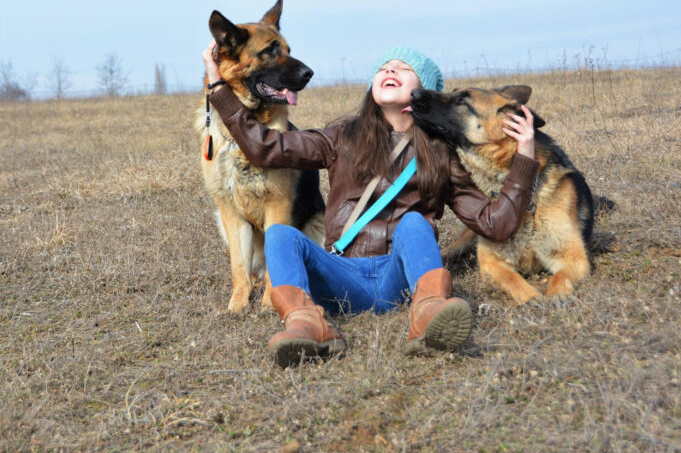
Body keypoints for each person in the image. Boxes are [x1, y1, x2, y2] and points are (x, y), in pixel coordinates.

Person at [202, 42, 539, 366]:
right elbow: (264, 147)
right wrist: (219, 88)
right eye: (384, 67)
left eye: (404, 68)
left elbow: (495, 224)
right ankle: (306, 324)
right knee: (280, 234)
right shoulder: (341, 137)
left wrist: (525, 156)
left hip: (399, 277)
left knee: (414, 222)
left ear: (423, 91)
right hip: (340, 277)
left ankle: (429, 311)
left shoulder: (441, 155)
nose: (390, 70)